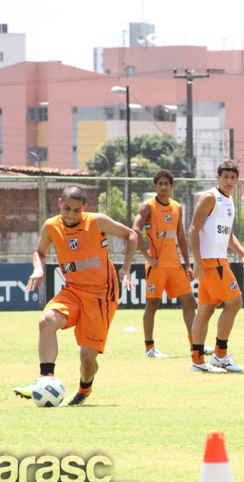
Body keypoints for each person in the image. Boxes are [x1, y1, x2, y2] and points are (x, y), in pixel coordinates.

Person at [14, 185, 137, 406]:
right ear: (60, 203)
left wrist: (126, 268)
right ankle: (45, 380)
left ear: (85, 208)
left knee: (87, 358)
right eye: (67, 209)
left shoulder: (97, 222)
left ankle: (83, 390)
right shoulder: (51, 226)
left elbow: (131, 235)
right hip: (73, 290)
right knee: (46, 321)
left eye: (76, 211)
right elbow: (40, 252)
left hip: (101, 295)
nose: (71, 215)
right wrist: (38, 269)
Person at [133, 169, 209, 359]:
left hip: (175, 265)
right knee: (153, 304)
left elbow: (181, 237)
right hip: (157, 265)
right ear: (155, 186)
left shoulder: (177, 207)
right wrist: (148, 257)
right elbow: (135, 231)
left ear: (172, 186)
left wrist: (188, 264)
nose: (164, 187)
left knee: (190, 301)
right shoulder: (147, 207)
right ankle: (149, 348)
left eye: (167, 184)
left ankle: (195, 346)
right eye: (160, 184)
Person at [188, 160, 244, 372]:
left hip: (218, 260)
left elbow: (228, 234)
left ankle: (197, 361)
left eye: (233, 177)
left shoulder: (230, 200)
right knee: (235, 302)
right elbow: (193, 230)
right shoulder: (209, 197)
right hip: (211, 262)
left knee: (205, 311)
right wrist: (197, 261)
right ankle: (220, 355)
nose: (229, 181)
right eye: (225, 176)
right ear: (218, 177)